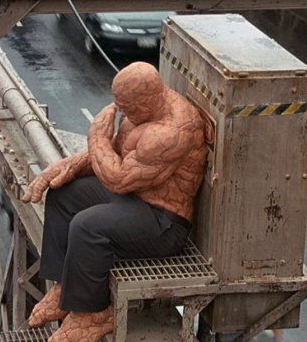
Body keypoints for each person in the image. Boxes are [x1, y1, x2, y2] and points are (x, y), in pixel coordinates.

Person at [20, 61, 207, 341]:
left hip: (164, 222)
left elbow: (118, 178)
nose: (123, 112)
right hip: (134, 198)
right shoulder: (140, 113)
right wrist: (69, 166)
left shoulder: (172, 131)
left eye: (128, 106)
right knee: (63, 194)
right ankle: (65, 286)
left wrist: (96, 138)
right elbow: (114, 154)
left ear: (148, 99)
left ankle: (93, 314)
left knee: (87, 226)